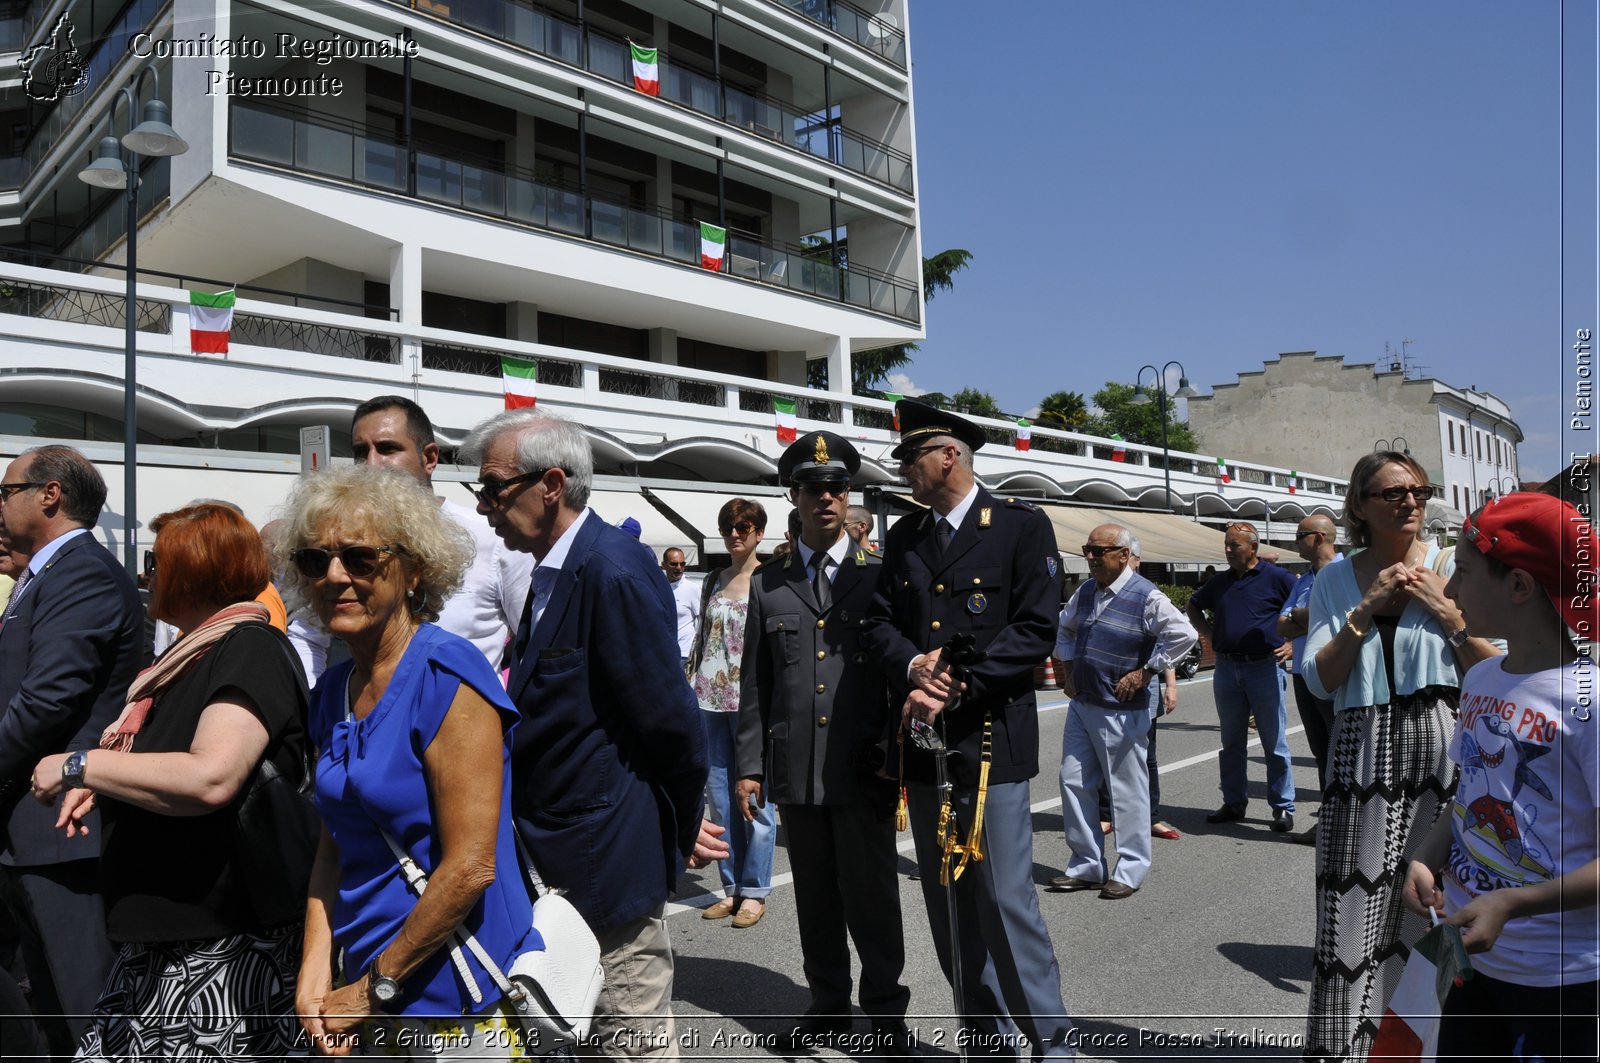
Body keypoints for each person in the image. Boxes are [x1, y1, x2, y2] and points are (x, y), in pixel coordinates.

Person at [459, 410, 711, 1062]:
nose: (483, 505)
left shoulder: (611, 570)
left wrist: (676, 836)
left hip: (607, 872)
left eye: (492, 487)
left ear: (550, 484)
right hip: (562, 867)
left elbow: (672, 725)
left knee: (629, 1045)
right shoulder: (551, 571)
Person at [282, 465, 549, 1057]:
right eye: (313, 560)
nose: (333, 577)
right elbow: (336, 841)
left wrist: (372, 988)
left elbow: (471, 867)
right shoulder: (332, 689)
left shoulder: (446, 674)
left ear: (413, 570)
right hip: (366, 987)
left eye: (359, 557)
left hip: (454, 993)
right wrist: (316, 965)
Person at [31, 503, 309, 1059]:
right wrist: (113, 780)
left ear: (194, 568)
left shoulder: (249, 648)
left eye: (156, 561)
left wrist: (81, 764)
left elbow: (211, 776)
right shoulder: (185, 658)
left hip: (222, 948)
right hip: (164, 940)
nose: (147, 575)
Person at [862, 399, 1075, 1058]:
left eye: (910, 456)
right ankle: (986, 1039)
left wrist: (957, 684)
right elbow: (877, 624)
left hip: (990, 743)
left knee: (1005, 901)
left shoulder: (1019, 526)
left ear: (947, 455)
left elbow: (1036, 627)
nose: (902, 469)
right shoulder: (903, 537)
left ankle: (1053, 1043)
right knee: (949, 903)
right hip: (928, 749)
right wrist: (913, 664)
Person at [1299, 451, 1499, 1061]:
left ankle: (1428, 1048)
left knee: (1432, 915)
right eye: (1393, 493)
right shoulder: (1336, 577)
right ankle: (1348, 1051)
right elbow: (1318, 679)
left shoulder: (1452, 566)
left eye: (1418, 490)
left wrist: (1446, 610)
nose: (1410, 501)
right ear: (1360, 505)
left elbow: (1498, 671)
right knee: (1352, 914)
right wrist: (1364, 614)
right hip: (1360, 756)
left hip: (1445, 748)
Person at [1403, 493, 1598, 1062]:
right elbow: (1470, 796)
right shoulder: (1483, 676)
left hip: (1560, 976)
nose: (1451, 591)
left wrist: (1514, 905)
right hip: (1471, 956)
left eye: (1461, 573)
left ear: (1519, 586)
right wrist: (1427, 854)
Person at [733, 432, 911, 1052]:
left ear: (848, 496)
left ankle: (887, 1013)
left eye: (837, 488)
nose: (827, 498)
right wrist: (749, 764)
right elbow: (756, 681)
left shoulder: (881, 577)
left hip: (865, 766)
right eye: (814, 489)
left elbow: (899, 677)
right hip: (798, 767)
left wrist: (903, 757)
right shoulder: (770, 581)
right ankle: (828, 1006)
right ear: (795, 496)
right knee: (815, 896)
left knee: (872, 895)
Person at [0, 445, 143, 1059]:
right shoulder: (45, 575)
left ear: (49, 495)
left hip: (62, 832)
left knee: (88, 1017)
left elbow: (45, 702)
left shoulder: (80, 572)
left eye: (6, 492)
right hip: (31, 832)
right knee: (53, 1017)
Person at [318, 395, 534, 676]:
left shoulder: (490, 538)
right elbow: (308, 636)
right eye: (360, 452)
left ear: (429, 457)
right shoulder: (337, 538)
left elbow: (532, 648)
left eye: (387, 449)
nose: (371, 464)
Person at [1049, 524, 1195, 900]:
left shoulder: (1147, 596)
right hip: (1083, 702)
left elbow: (1185, 635)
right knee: (1073, 780)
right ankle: (1087, 865)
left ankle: (1130, 869)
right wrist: (1066, 669)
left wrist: (1147, 670)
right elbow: (1063, 630)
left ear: (1124, 555)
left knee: (1126, 789)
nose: (1092, 557)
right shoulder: (1085, 591)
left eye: (1100, 551)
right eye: (1088, 550)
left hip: (1120, 708)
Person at [689, 499, 776, 929]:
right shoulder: (712, 579)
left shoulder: (768, 580)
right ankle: (731, 888)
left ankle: (756, 890)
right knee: (720, 800)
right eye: (728, 527)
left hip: (751, 703)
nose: (735, 533)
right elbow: (703, 640)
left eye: (744, 526)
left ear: (760, 532)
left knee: (756, 798)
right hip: (709, 698)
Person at [1186, 522, 1298, 832]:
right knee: (1231, 741)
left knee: (1273, 741)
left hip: (1264, 666)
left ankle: (1283, 807)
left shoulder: (1278, 578)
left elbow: (1306, 609)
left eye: (1234, 545)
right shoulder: (1219, 582)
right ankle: (1234, 802)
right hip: (1226, 668)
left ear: (1253, 547)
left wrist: (1292, 643)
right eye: (1226, 544)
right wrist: (1207, 632)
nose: (1228, 550)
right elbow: (1193, 605)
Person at [1276, 514, 1342, 846]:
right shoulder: (1303, 581)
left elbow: (1342, 618)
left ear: (1318, 537)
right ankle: (1329, 823)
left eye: (1299, 535)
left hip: (1331, 675)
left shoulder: (1345, 573)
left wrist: (1302, 618)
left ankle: (1348, 823)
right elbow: (1281, 624)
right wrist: (1310, 618)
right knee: (1321, 752)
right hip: (1302, 674)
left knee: (1340, 752)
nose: (1295, 542)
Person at [662, 548, 699, 665]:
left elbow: (702, 619)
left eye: (682, 564)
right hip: (663, 652)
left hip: (683, 654)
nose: (679, 568)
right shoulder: (658, 586)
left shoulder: (692, 588)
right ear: (664, 565)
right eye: (674, 564)